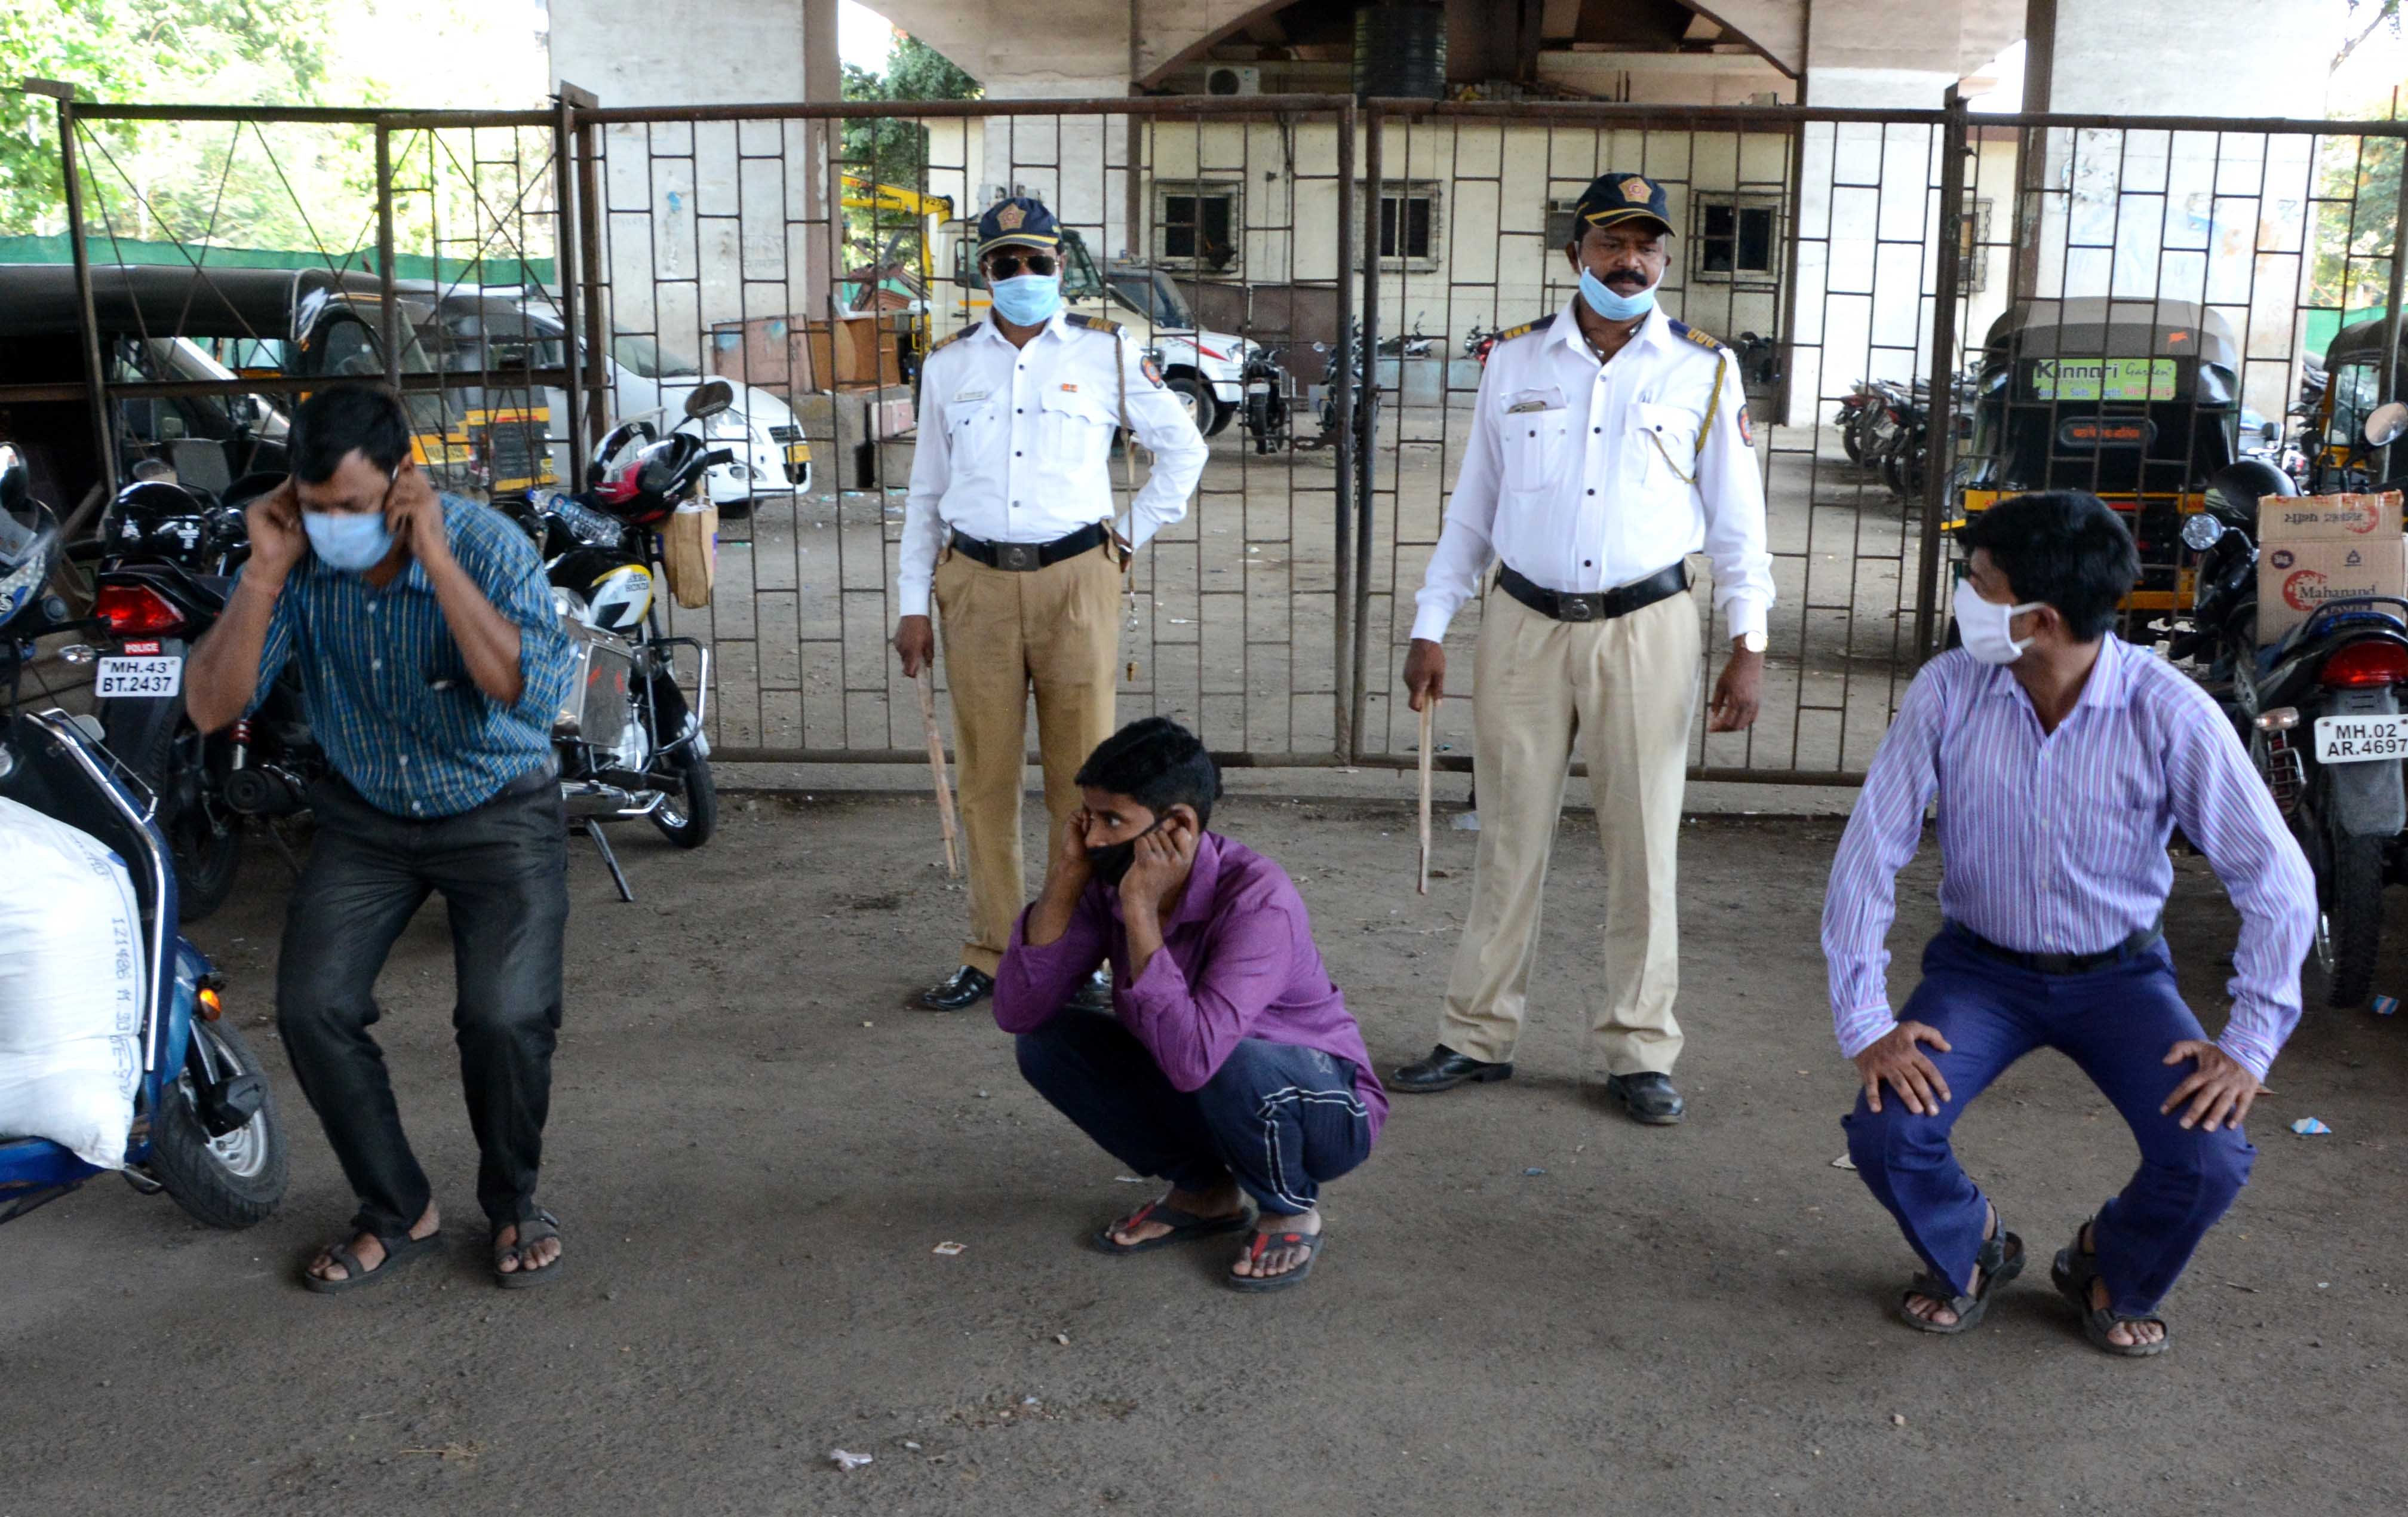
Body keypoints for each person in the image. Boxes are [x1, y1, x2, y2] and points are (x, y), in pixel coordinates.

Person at [1823, 490, 2316, 1355]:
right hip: (1981, 974)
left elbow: (2277, 880)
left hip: (2121, 980)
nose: (1964, 597)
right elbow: (1871, 853)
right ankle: (1971, 1244)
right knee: (1888, 1126)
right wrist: (1867, 1021)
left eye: (1979, 581)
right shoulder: (1949, 691)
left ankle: (2106, 1266)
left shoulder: (2171, 713)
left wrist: (2248, 1042)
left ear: (2040, 619)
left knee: (2209, 1157)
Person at [1392, 171, 1774, 1124]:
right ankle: (1476, 1032)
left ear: (1666, 259)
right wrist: (1431, 622)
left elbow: (1739, 524)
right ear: (1576, 256)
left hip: (1648, 627)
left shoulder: (1703, 368)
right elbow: (1473, 505)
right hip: (1522, 625)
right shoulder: (1515, 364)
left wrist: (1748, 639)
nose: (1631, 261)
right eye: (1611, 244)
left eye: (1648, 246)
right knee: (1509, 834)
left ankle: (1638, 1048)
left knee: (1643, 841)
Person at [185, 382, 576, 1293]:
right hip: (366, 818)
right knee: (312, 1007)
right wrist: (262, 573)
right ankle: (397, 1207)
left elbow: (522, 690)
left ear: (405, 478)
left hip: (497, 807)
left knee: (505, 1016)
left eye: (354, 508)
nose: (334, 527)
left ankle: (515, 1200)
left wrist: (436, 557)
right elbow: (212, 705)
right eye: (316, 509)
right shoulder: (294, 561)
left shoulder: (486, 545)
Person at [894, 196, 1209, 1013]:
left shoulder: (1108, 354)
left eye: (1039, 262)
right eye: (1007, 264)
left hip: (1078, 582)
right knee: (986, 779)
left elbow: (1184, 448)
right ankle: (995, 949)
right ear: (985, 274)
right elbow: (925, 491)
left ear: (1061, 269)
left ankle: (1092, 952)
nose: (1024, 277)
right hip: (975, 585)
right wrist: (912, 604)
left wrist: (1125, 542)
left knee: (1090, 788)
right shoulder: (949, 365)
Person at [995, 718, 1386, 1291]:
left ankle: (1290, 1206)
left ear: (1178, 824)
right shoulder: (1104, 878)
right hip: (1209, 1084)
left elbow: (1195, 1057)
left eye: (1111, 821)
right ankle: (1206, 1194)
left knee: (1232, 1057)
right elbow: (1018, 1011)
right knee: (1047, 1046)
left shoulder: (1258, 900)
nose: (1095, 838)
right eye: (1088, 818)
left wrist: (1140, 913)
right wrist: (1067, 874)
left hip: (1321, 1106)